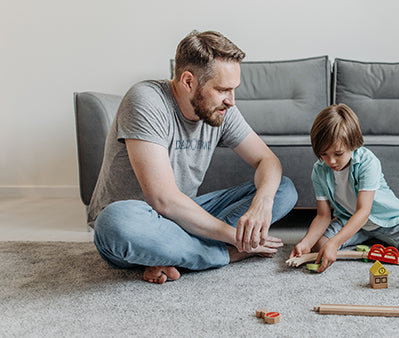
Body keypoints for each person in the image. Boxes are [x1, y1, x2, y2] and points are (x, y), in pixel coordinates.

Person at [89, 30, 297, 284]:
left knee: (283, 189)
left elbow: (268, 161)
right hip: (141, 221)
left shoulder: (222, 109)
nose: (231, 101)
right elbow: (162, 200)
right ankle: (225, 255)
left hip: (186, 216)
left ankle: (173, 254)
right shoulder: (146, 101)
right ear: (188, 81)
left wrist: (262, 203)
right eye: (222, 89)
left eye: (234, 89)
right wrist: (235, 239)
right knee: (114, 223)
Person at [289, 104, 399, 273]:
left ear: (352, 144)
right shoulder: (319, 170)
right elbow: (323, 215)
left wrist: (336, 242)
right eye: (324, 154)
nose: (331, 161)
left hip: (387, 221)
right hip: (348, 220)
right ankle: (366, 240)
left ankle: (377, 239)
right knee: (320, 246)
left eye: (338, 154)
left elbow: (363, 211)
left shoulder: (368, 162)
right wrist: (306, 243)